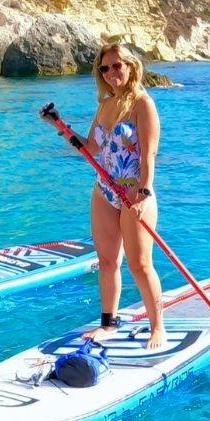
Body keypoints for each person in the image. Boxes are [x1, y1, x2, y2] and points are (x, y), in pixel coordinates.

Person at [82, 41, 166, 350]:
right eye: (105, 68)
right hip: (104, 192)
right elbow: (91, 147)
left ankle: (158, 327)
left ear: (130, 66)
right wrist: (61, 128)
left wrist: (142, 193)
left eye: (117, 65)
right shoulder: (105, 104)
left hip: (134, 194)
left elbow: (149, 154)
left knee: (140, 264)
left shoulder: (142, 103)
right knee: (106, 261)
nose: (111, 72)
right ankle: (108, 323)